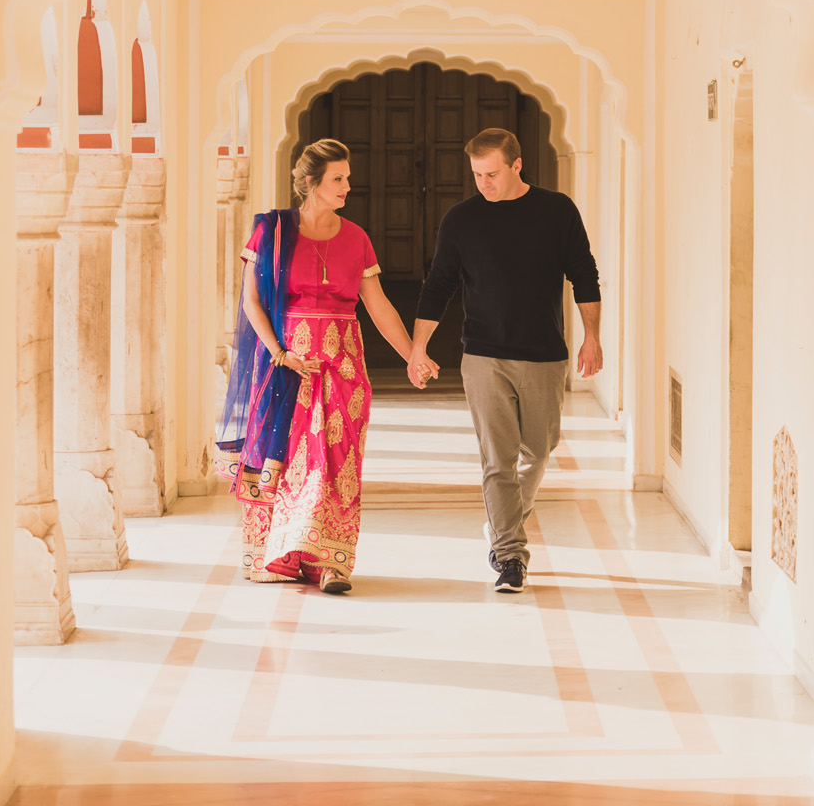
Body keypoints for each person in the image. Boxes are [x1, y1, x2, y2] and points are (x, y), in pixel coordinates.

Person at [216, 138, 435, 593]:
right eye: (339, 178)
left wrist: (413, 354)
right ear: (312, 184)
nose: (347, 186)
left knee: (335, 462)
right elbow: (251, 301)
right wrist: (279, 353)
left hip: (343, 367)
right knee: (291, 459)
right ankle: (279, 554)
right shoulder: (272, 233)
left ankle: (330, 562)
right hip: (285, 365)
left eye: (347, 178)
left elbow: (377, 308)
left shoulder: (357, 238)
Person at [408, 127, 601, 594]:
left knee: (539, 451)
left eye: (492, 173)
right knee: (498, 460)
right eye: (477, 174)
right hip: (483, 355)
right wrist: (419, 347)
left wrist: (592, 336)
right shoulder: (462, 220)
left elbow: (584, 273)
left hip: (544, 354)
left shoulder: (557, 211)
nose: (484, 183)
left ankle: (501, 521)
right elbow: (439, 285)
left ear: (517, 165)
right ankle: (510, 555)